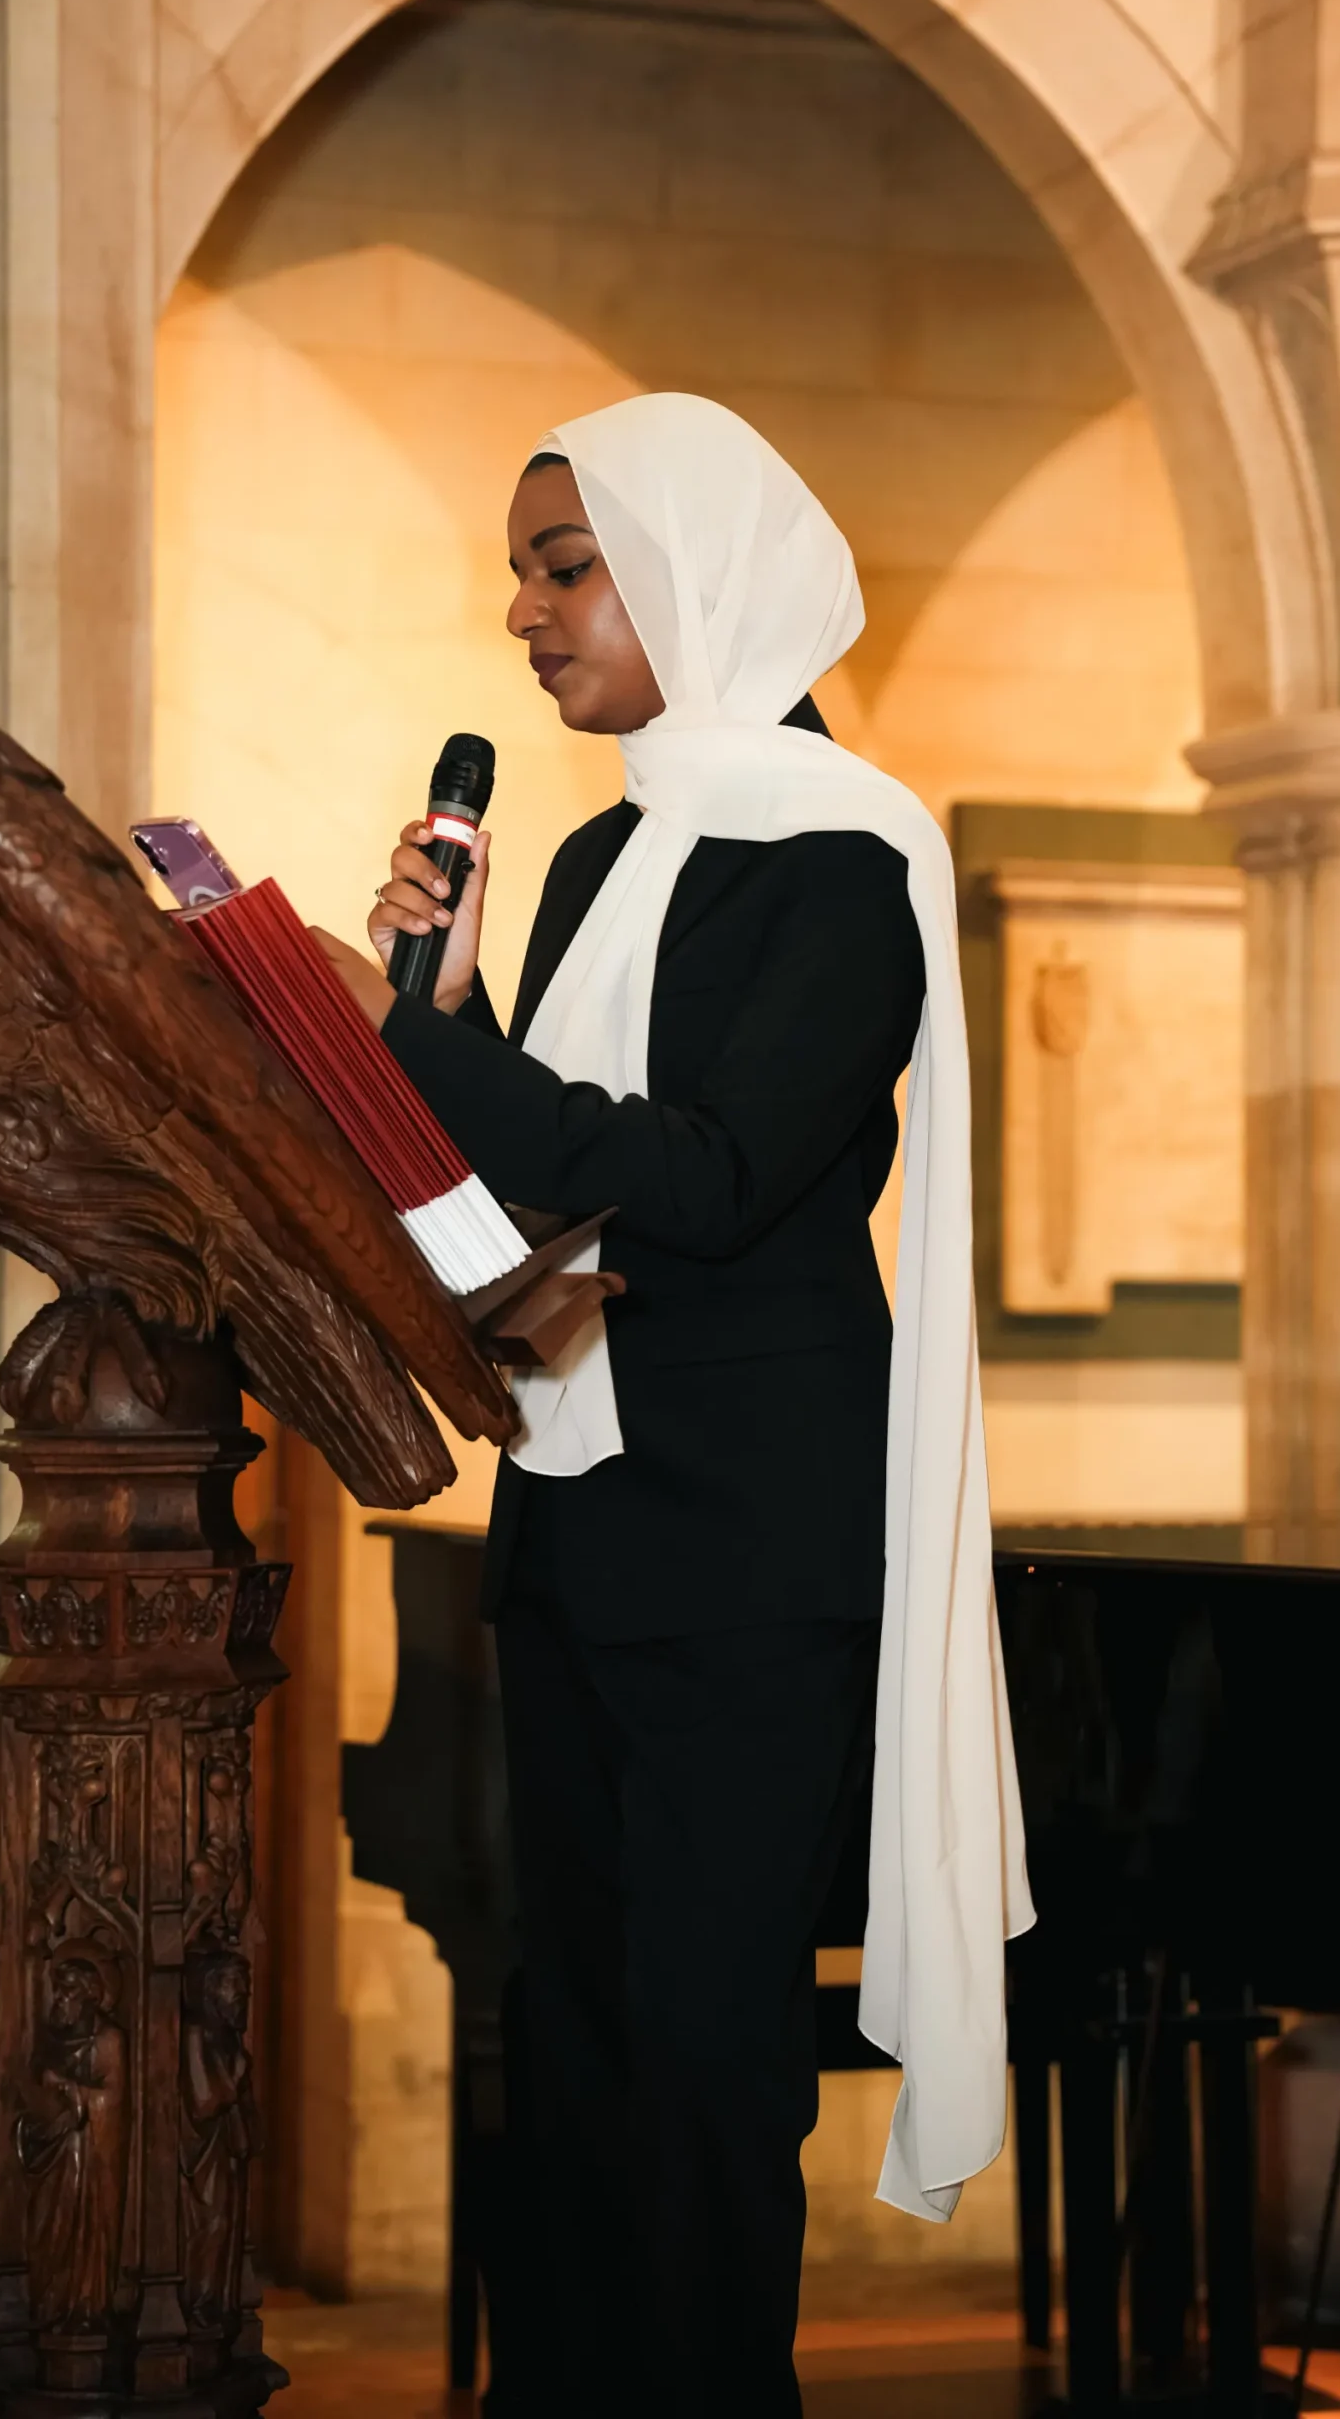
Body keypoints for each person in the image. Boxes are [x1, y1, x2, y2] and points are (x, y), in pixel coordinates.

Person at [317, 394, 1031, 2417]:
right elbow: (552, 1180)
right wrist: (439, 1019)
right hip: (577, 1526)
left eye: (566, 567)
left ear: (692, 573)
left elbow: (706, 1180)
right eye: (522, 573)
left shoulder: (846, 858)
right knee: (575, 2052)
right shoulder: (603, 853)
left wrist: (432, 1052)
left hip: (741, 1555)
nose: (524, 613)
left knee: (704, 2066)